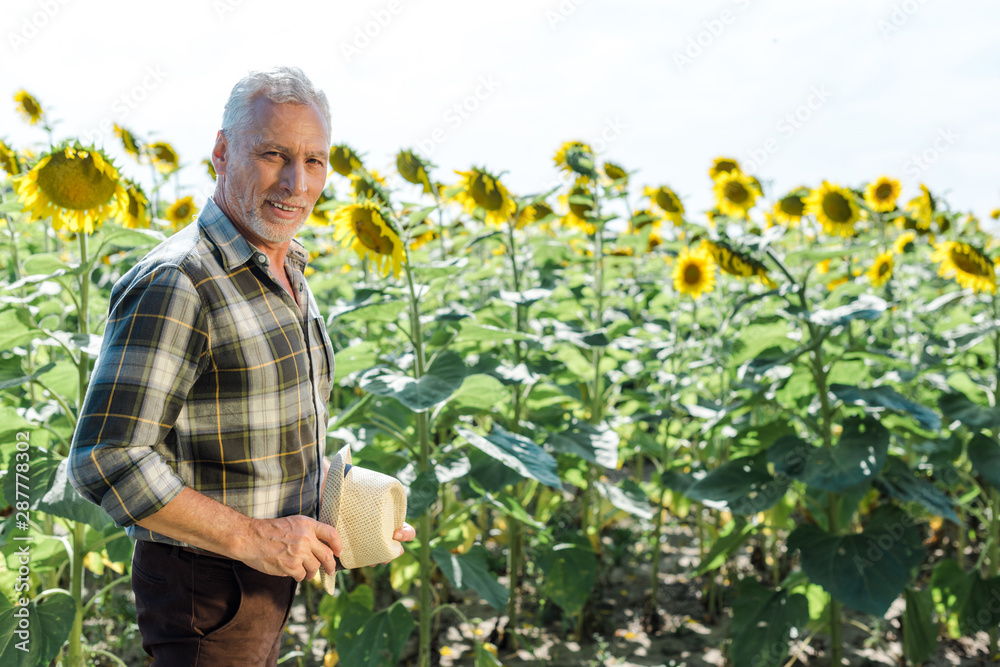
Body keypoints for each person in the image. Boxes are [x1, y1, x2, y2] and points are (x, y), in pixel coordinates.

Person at [68, 66, 415, 666]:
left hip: (262, 575)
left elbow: (251, 431)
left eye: (314, 161)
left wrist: (338, 507)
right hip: (207, 587)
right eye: (273, 154)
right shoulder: (180, 281)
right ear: (222, 153)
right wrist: (253, 538)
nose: (294, 182)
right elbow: (106, 458)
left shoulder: (285, 269)